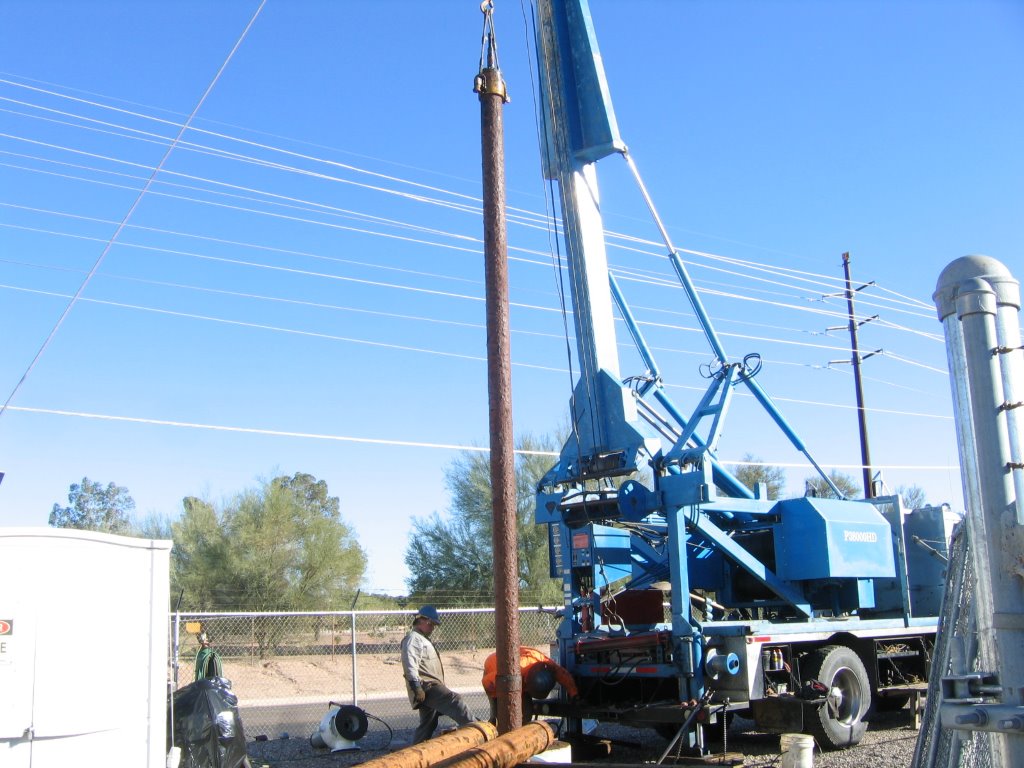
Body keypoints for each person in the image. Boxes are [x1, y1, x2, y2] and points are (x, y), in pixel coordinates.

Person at [400, 605, 475, 743]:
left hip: (427, 687)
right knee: (455, 701)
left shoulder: (421, 638)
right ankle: (477, 730)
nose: (433, 628)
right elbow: (410, 664)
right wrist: (416, 687)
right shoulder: (413, 639)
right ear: (424, 621)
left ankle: (416, 751)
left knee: (428, 723)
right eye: (432, 624)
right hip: (427, 687)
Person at [481, 646, 579, 725]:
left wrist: (574, 694)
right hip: (495, 669)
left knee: (526, 711)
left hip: (518, 675)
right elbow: (487, 684)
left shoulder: (544, 662)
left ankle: (522, 736)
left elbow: (563, 675)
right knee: (501, 716)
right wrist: (499, 702)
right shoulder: (506, 674)